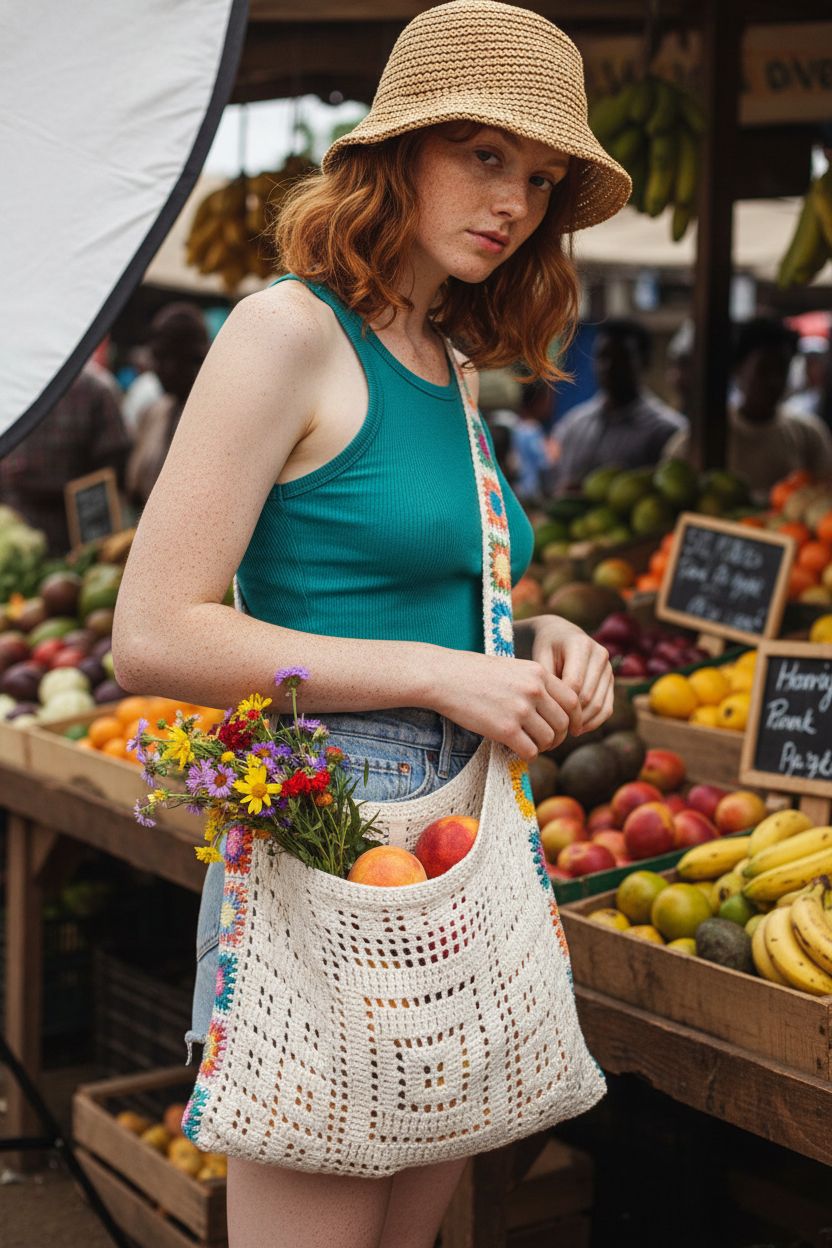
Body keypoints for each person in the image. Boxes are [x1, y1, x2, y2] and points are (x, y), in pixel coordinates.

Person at [112, 3, 630, 1244]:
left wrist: (540, 637)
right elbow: (154, 633)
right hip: (332, 840)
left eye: (540, 178)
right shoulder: (287, 331)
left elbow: (428, 584)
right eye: (485, 154)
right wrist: (443, 675)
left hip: (453, 834)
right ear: (396, 148)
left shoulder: (445, 358)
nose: (512, 201)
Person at [663, 317, 832, 499]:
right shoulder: (699, 438)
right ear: (738, 369)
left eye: (781, 370)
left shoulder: (809, 435)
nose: (774, 381)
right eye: (763, 370)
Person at [0, 360, 131, 554]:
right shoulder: (10, 384)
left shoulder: (94, 389)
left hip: (74, 550)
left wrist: (54, 490)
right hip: (13, 549)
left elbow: (115, 470)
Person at [550, 317, 687, 492]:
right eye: (602, 357)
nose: (609, 367)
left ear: (644, 362)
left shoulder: (666, 431)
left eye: (621, 358)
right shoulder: (575, 424)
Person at [125, 303, 209, 509]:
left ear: (195, 360)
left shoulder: (213, 420)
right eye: (156, 357)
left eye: (166, 357)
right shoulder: (155, 413)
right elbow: (134, 487)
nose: (157, 368)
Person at [511, 379, 558, 502]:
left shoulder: (516, 425)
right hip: (530, 492)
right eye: (548, 398)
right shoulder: (532, 429)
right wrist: (554, 454)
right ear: (538, 401)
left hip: (518, 490)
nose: (552, 403)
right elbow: (544, 464)